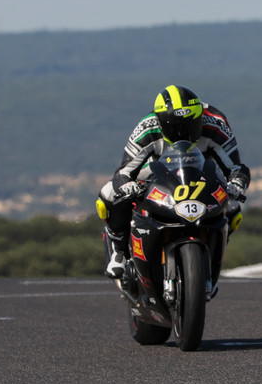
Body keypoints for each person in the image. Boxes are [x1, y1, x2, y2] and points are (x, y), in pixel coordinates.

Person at [98, 85, 251, 278]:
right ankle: (119, 251)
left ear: (200, 117)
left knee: (233, 208)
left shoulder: (216, 125)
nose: (183, 132)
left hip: (202, 175)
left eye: (190, 124)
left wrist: (237, 184)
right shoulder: (147, 127)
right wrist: (128, 186)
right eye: (174, 126)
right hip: (156, 175)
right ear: (161, 122)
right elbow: (124, 171)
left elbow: (236, 168)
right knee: (109, 193)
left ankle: (212, 254)